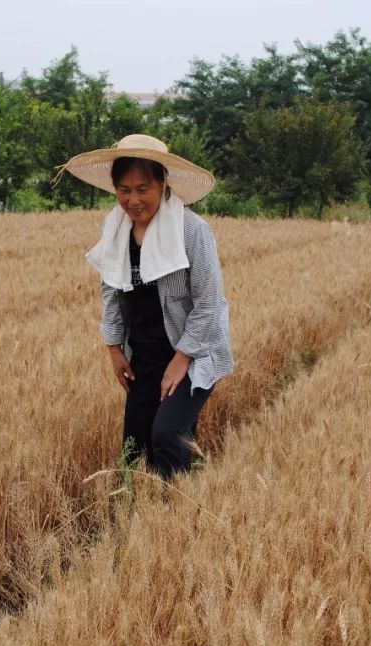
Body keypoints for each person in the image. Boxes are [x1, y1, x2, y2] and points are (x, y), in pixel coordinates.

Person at [54, 134, 234, 481]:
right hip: (146, 355)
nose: (133, 200)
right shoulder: (116, 229)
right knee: (136, 446)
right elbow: (111, 289)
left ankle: (175, 516)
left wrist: (182, 359)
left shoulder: (192, 232)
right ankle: (151, 514)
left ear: (163, 183)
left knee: (167, 435)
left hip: (193, 354)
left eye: (142, 188)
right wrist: (113, 347)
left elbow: (209, 302)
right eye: (124, 190)